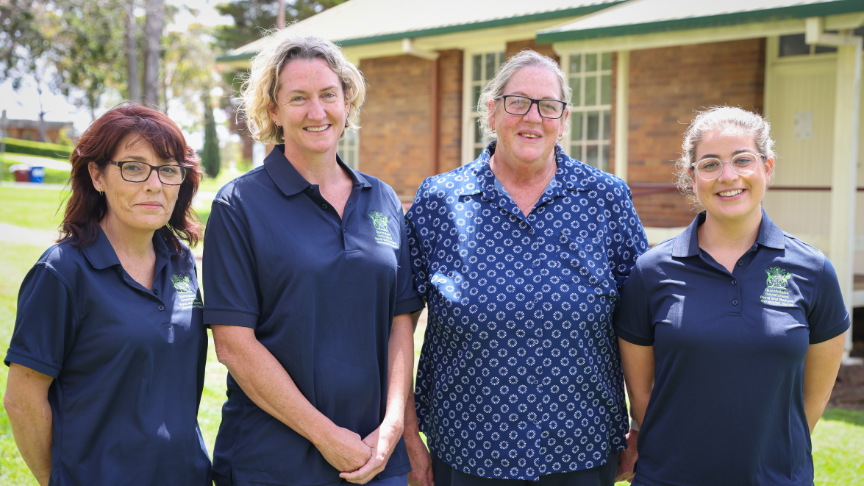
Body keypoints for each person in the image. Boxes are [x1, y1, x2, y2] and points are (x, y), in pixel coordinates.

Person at [404, 50, 648, 486]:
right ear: (492, 110)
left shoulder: (606, 199)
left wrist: (642, 425)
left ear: (563, 118)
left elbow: (641, 325)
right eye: (517, 102)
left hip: (582, 449)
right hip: (466, 449)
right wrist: (407, 434)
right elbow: (398, 322)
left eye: (548, 106)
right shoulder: (440, 200)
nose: (532, 117)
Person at [203, 33, 424, 486]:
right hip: (273, 462)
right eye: (298, 98)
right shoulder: (239, 205)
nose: (317, 112)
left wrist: (393, 427)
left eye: (328, 95)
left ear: (347, 102)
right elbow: (234, 345)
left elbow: (401, 320)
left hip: (375, 456)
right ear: (274, 111)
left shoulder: (381, 198)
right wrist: (326, 436)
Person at [615, 106, 849, 486]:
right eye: (710, 164)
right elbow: (642, 394)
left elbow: (812, 400)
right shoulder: (651, 272)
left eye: (743, 160)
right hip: (670, 478)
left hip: (775, 479)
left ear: (767, 168)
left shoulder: (814, 271)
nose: (728, 176)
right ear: (692, 178)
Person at [3, 103, 211, 486]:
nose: (154, 184)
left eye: (168, 169)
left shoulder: (181, 262)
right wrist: (58, 479)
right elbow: (22, 399)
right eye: (133, 167)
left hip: (186, 475)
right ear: (97, 176)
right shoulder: (62, 272)